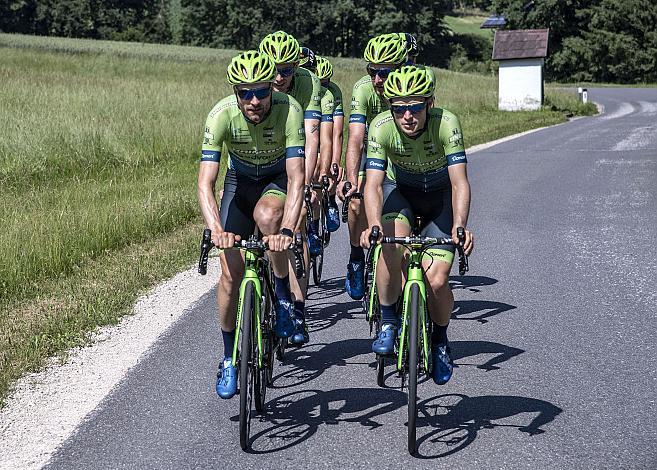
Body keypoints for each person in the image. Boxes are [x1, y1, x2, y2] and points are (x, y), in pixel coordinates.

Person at [198, 50, 306, 398]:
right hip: (239, 183)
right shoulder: (221, 115)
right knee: (230, 273)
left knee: (268, 217)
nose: (255, 100)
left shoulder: (289, 110)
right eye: (246, 92)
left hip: (276, 180)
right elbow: (205, 183)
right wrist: (217, 230)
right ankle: (229, 356)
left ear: (271, 90)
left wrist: (288, 231)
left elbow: (297, 177)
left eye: (261, 91)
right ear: (236, 93)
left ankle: (282, 292)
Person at [359, 65, 474, 385]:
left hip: (438, 199)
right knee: (388, 243)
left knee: (437, 281)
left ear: (430, 104)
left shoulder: (446, 123)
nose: (407, 116)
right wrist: (372, 225)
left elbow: (460, 183)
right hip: (401, 194)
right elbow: (372, 185)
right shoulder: (381, 127)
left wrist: (460, 225)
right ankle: (389, 321)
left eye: (415, 107)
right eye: (399, 109)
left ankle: (439, 341)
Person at [259, 31, 324, 345]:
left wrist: (308, 181)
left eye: (287, 70)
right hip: (259, 158)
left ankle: (297, 307)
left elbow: (312, 136)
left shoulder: (308, 83)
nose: (278, 76)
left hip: (292, 154)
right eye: (274, 68)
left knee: (293, 234)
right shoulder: (255, 81)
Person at [337, 33, 408, 300]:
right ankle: (356, 257)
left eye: (385, 73)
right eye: (372, 71)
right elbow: (355, 138)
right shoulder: (363, 88)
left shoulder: (412, 87)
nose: (377, 79)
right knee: (356, 202)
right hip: (372, 151)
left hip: (403, 155)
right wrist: (352, 179)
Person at [315, 56, 344, 231]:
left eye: (326, 83)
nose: (323, 88)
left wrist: (335, 161)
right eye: (320, 84)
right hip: (307, 134)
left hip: (326, 132)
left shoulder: (333, 92)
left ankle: (331, 200)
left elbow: (337, 133)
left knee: (326, 168)